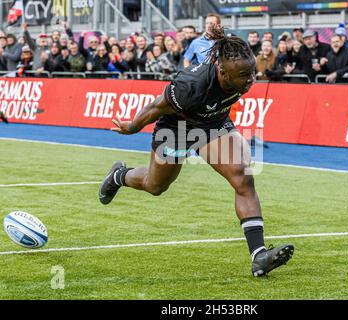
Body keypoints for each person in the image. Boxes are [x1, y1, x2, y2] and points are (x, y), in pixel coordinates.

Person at [99, 26, 294, 277]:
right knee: (155, 186)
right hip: (177, 128)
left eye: (252, 73)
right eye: (244, 76)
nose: (250, 80)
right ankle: (118, 176)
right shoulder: (191, 84)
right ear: (222, 72)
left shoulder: (235, 64)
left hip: (213, 125)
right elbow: (156, 107)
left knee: (242, 177)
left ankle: (259, 256)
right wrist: (133, 126)